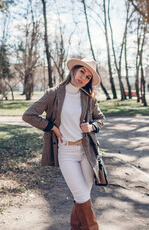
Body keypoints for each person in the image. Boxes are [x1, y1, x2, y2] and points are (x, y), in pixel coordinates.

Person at [22, 58, 106, 230]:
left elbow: (101, 119)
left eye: (88, 76)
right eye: (82, 71)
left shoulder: (88, 97)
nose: (83, 77)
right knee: (81, 194)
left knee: (82, 195)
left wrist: (92, 126)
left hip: (87, 152)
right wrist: (51, 127)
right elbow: (28, 115)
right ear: (74, 69)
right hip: (66, 152)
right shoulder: (54, 93)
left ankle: (75, 227)